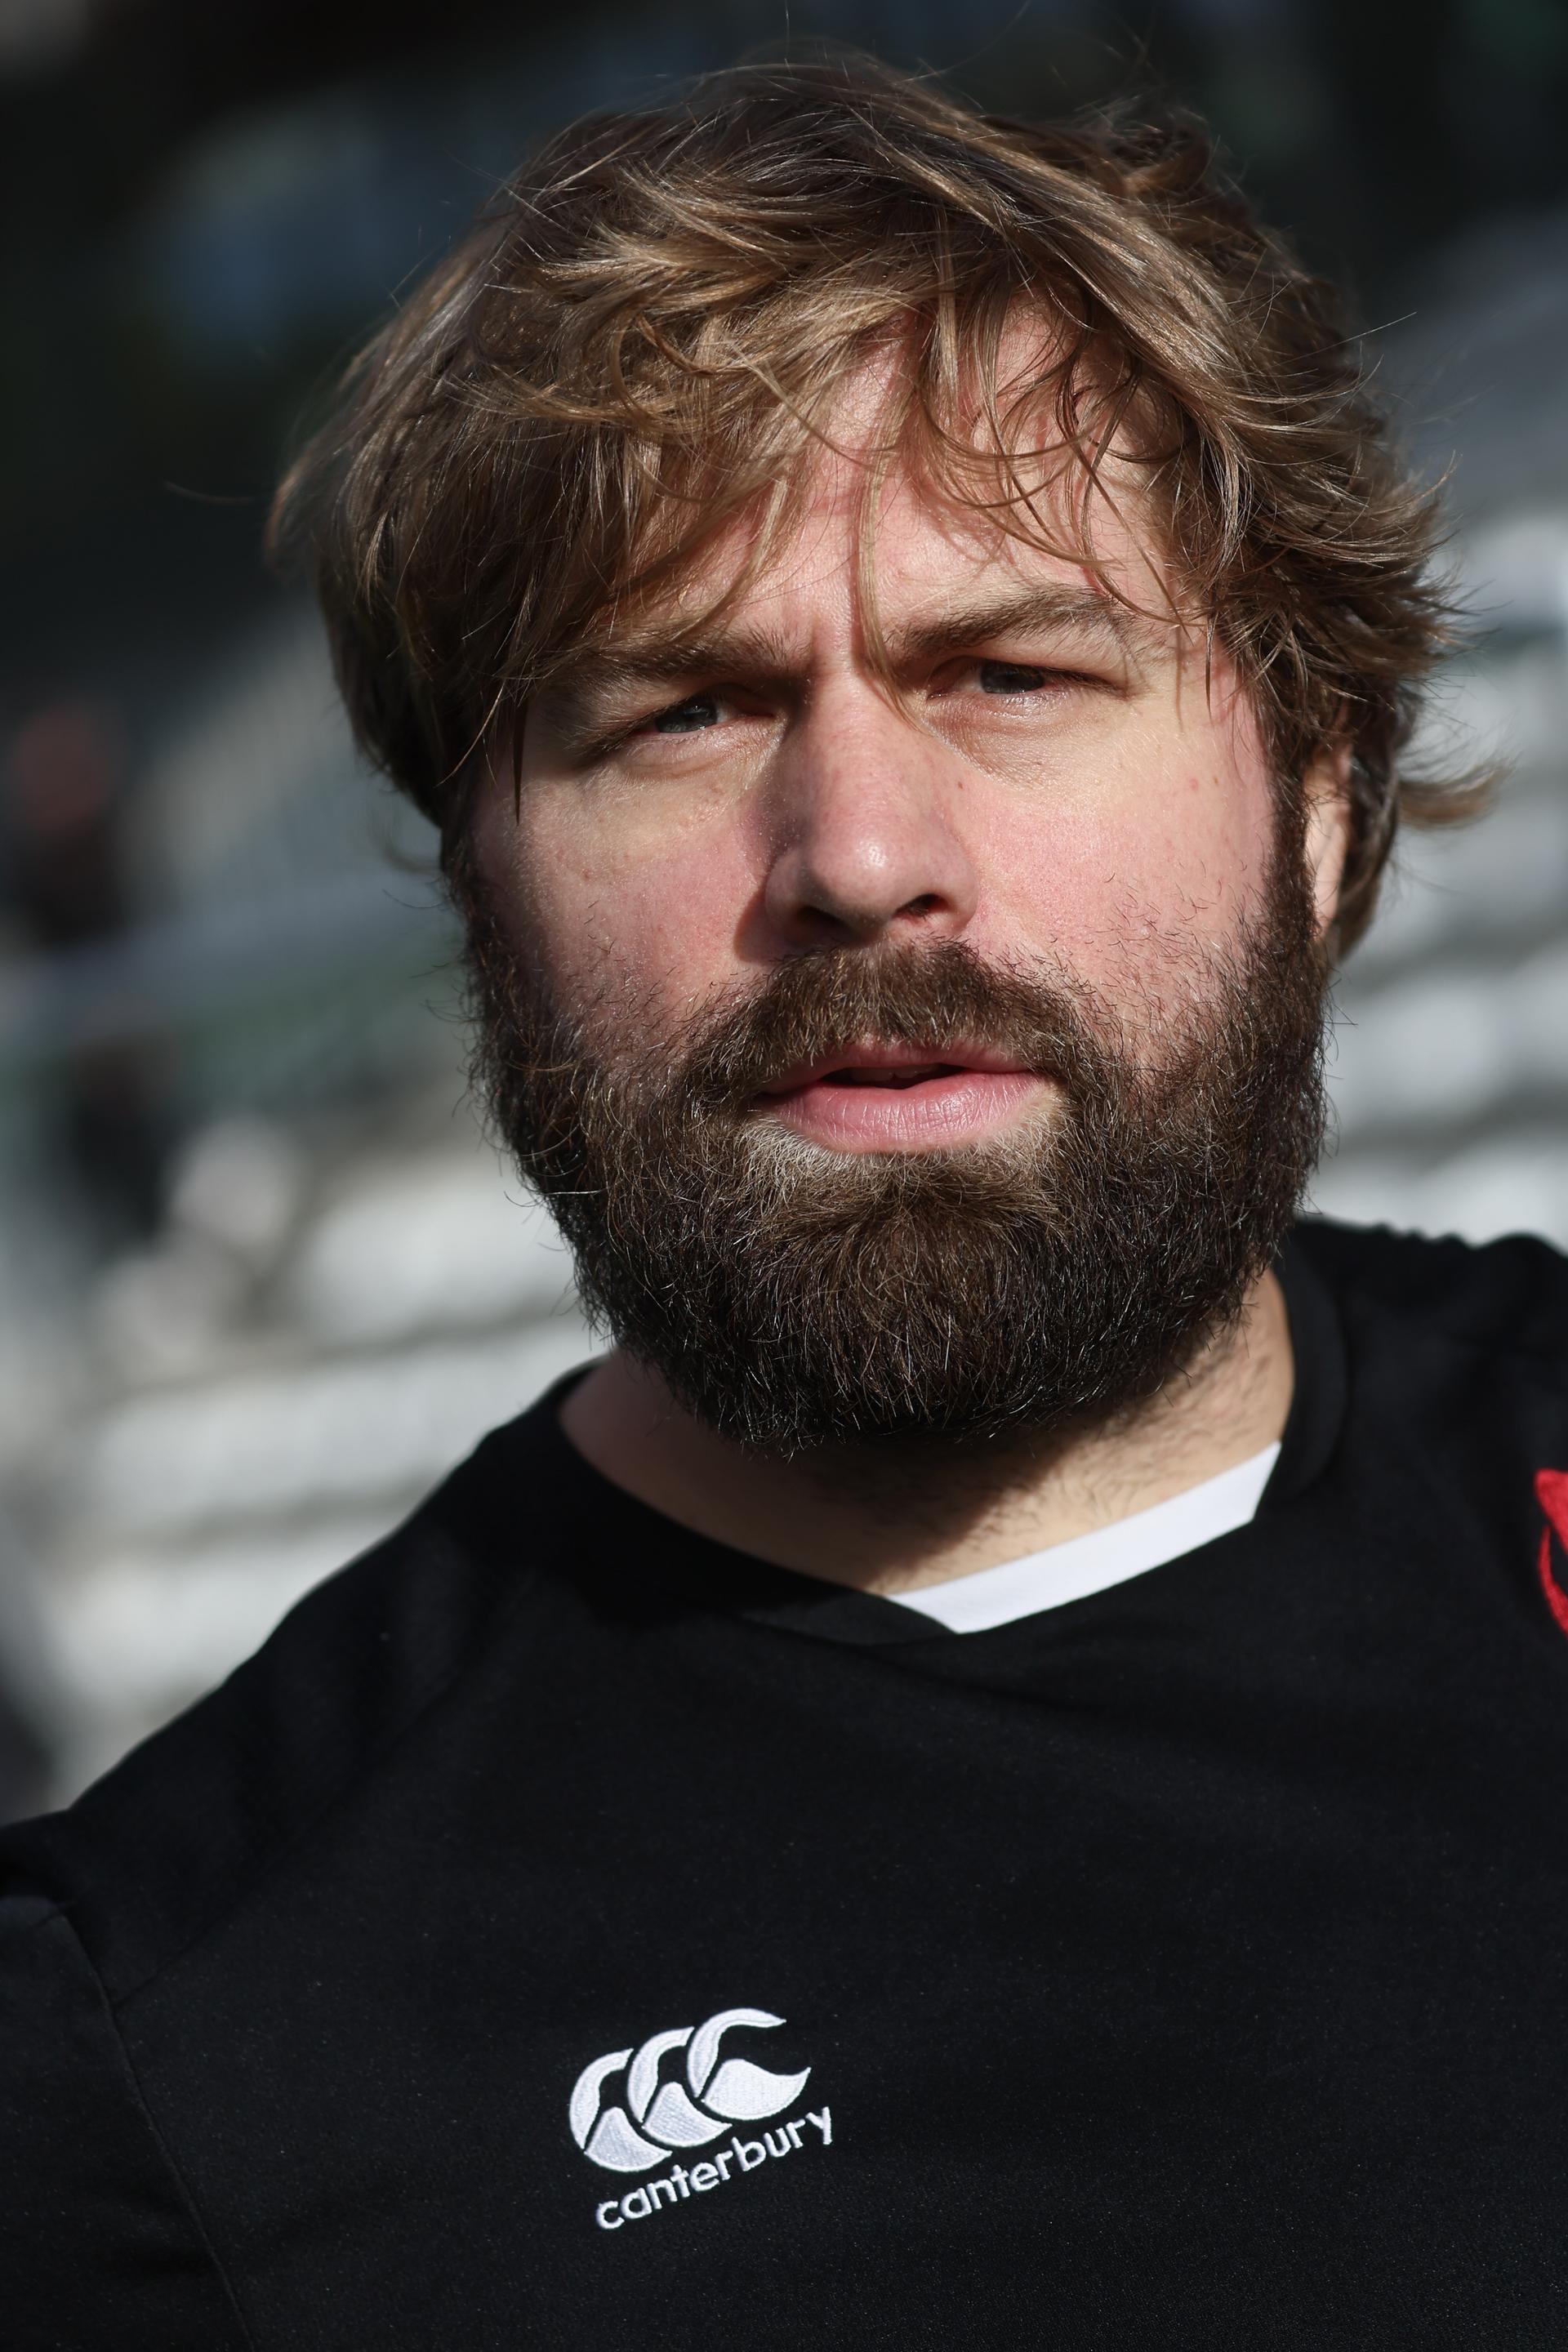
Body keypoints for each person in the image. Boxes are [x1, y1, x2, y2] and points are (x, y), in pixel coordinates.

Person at [3, 56, 1564, 2349]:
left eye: (1010, 671)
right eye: (686, 715)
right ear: (481, 894)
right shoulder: (150, 2058)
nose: (852, 855)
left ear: (1325, 803)